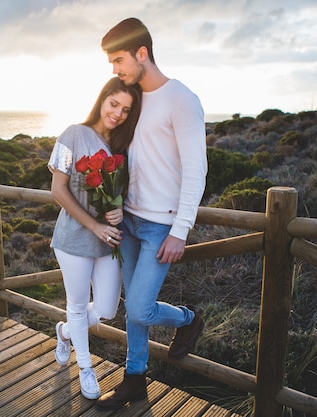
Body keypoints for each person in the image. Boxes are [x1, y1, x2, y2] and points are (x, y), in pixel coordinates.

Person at [95, 18, 208, 411]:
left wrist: (181, 229)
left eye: (119, 60)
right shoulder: (135, 100)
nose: (115, 70)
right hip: (128, 221)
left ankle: (189, 319)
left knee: (141, 307)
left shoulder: (181, 98)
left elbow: (196, 169)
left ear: (142, 53)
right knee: (133, 310)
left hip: (162, 225)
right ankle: (134, 380)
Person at [48, 76, 142, 400]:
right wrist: (94, 225)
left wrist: (118, 211)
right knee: (76, 305)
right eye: (113, 104)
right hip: (74, 238)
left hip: (107, 240)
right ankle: (85, 368)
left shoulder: (120, 148)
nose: (117, 113)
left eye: (126, 110)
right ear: (102, 100)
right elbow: (57, 189)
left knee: (107, 308)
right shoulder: (73, 133)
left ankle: (64, 332)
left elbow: (119, 194)